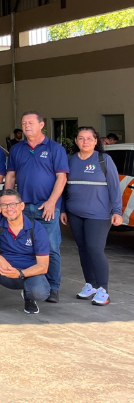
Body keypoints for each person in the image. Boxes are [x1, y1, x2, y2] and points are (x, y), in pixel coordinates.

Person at [4, 111, 69, 303]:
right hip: (22, 208)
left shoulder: (55, 148)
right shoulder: (17, 149)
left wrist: (51, 202)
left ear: (42, 125)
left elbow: (62, 178)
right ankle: (33, 283)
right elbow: (11, 176)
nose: (26, 126)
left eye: (31, 122)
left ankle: (53, 287)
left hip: (46, 208)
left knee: (51, 248)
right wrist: (7, 202)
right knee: (26, 247)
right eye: (24, 123)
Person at [61, 127, 123, 306]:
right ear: (76, 141)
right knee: (83, 249)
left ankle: (103, 289)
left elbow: (114, 187)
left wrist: (117, 211)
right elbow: (63, 187)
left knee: (95, 249)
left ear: (96, 141)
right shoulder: (69, 159)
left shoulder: (104, 159)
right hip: (74, 213)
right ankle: (91, 285)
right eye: (81, 138)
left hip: (99, 214)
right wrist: (63, 210)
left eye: (89, 138)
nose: (85, 142)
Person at [0, 189, 51, 315]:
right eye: (4, 205)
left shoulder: (37, 228)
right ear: (0, 207)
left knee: (40, 293)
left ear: (22, 206)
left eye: (13, 204)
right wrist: (0, 258)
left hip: (28, 274)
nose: (9, 209)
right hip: (4, 270)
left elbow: (43, 266)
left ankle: (29, 297)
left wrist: (20, 273)